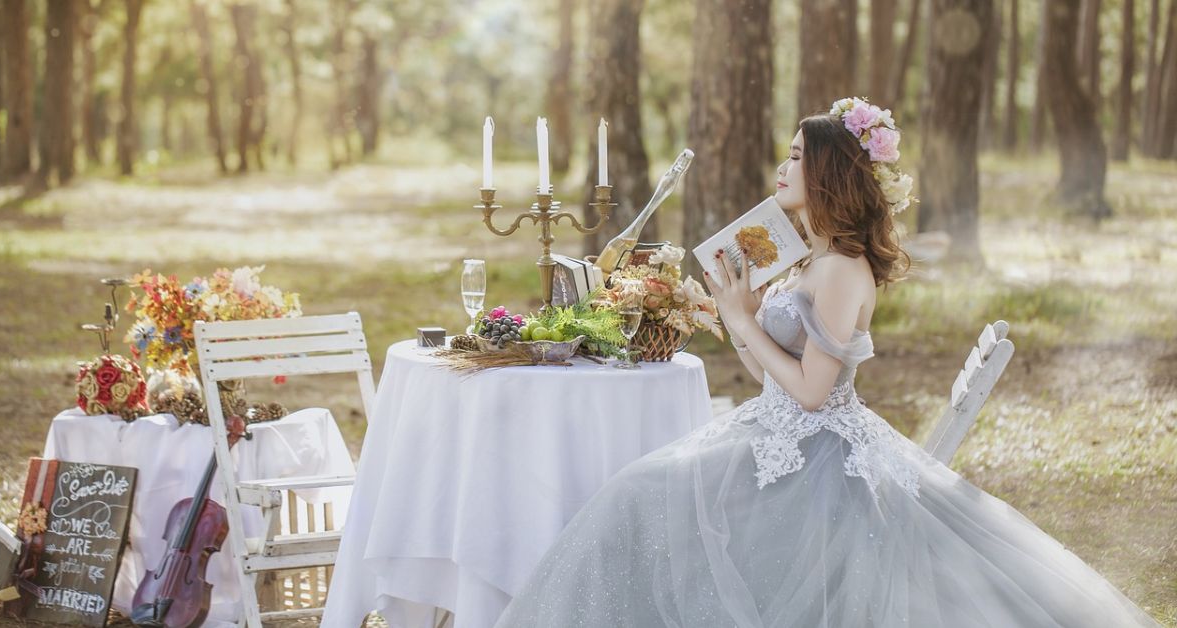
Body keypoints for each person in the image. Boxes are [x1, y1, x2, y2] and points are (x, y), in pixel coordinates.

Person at [493, 99, 1162, 627]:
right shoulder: (809, 259)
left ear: (827, 173)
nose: (780, 169)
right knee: (636, 494)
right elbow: (771, 377)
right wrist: (740, 316)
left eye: (794, 156)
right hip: (777, 432)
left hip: (814, 458)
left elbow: (814, 394)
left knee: (638, 496)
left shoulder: (841, 270)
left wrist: (741, 318)